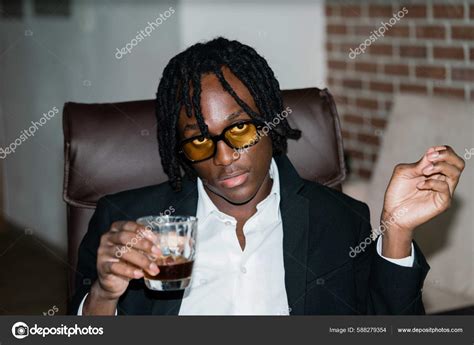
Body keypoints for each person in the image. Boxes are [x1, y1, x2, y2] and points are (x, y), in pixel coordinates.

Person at [71, 37, 464, 315]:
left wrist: (396, 232)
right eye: (198, 142)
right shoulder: (125, 221)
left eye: (240, 129)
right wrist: (104, 295)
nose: (223, 158)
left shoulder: (341, 222)